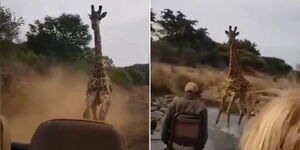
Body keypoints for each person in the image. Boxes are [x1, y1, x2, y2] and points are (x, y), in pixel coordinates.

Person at [161, 82, 208, 150]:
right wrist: (200, 147)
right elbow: (204, 132)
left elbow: (165, 126)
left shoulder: (174, 104)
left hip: (175, 145)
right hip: (192, 147)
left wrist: (167, 143)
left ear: (184, 91)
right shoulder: (202, 107)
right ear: (196, 92)